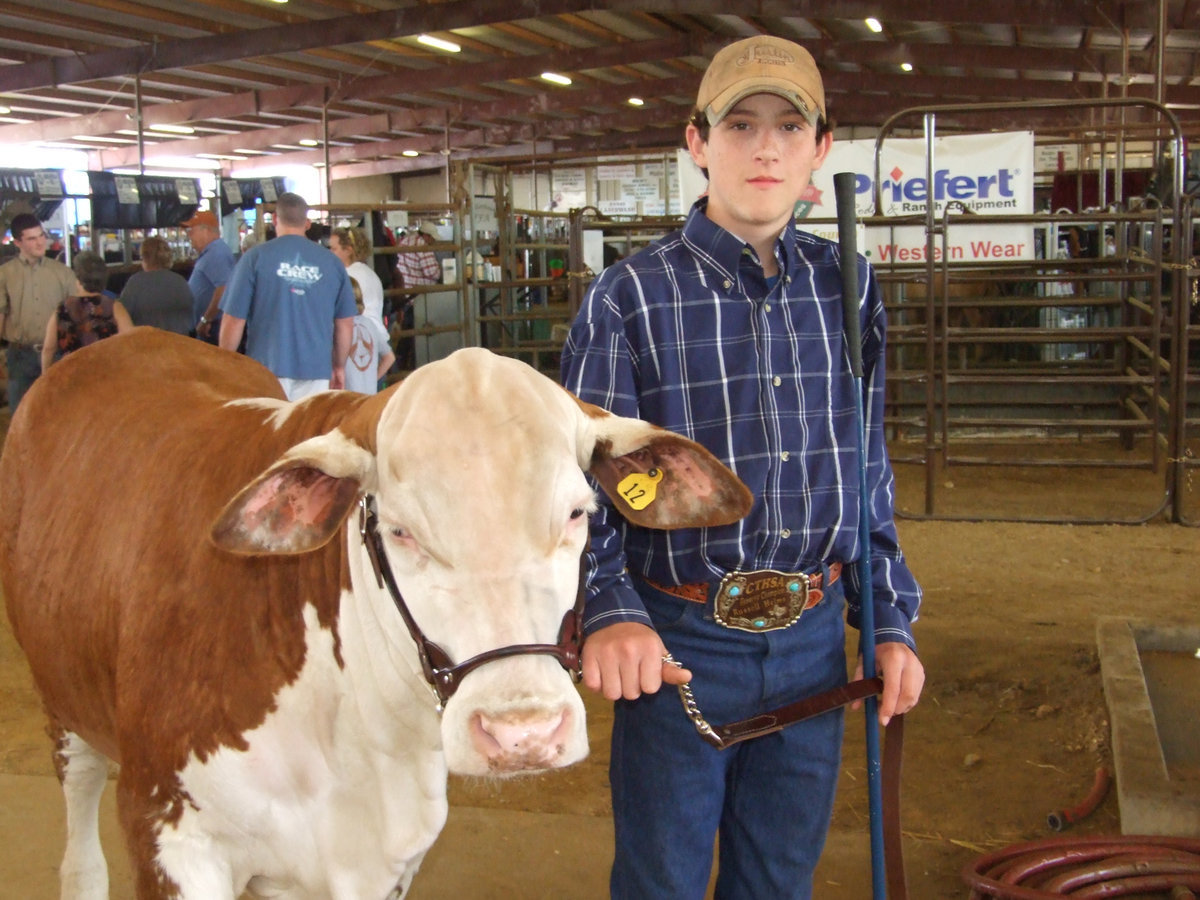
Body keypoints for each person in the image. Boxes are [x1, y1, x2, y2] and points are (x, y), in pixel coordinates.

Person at [560, 35, 925, 900]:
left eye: (789, 127)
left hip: (811, 635)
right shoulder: (629, 296)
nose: (765, 148)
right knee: (664, 881)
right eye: (740, 125)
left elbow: (863, 464)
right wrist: (611, 611)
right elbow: (582, 479)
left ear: (820, 151)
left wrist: (888, 615)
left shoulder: (851, 285)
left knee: (777, 880)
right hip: (680, 645)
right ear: (697, 142)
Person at [218, 192, 356, 402]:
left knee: (270, 433)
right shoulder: (332, 263)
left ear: (274, 220)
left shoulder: (254, 258)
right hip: (316, 370)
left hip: (267, 369)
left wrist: (224, 363)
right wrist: (338, 366)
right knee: (310, 433)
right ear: (307, 223)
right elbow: (345, 324)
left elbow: (234, 320)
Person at [0, 212, 77, 410]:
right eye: (32, 238)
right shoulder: (5, 274)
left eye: (41, 236)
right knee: (21, 414)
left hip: (58, 354)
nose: (40, 242)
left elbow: (77, 312)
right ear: (18, 243)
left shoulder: (63, 273)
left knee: (60, 412)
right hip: (20, 355)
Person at [41, 251, 133, 370]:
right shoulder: (114, 306)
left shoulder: (62, 309)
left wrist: (45, 376)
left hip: (70, 375)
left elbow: (48, 349)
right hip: (107, 374)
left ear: (78, 279)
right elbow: (130, 341)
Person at [119, 235, 194, 334]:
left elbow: (122, 315)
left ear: (144, 258)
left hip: (147, 343)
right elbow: (190, 318)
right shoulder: (180, 282)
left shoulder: (135, 283)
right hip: (179, 343)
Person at [392, 222, 441, 370]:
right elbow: (432, 272)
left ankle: (400, 365)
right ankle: (412, 365)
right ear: (426, 235)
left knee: (406, 333)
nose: (433, 242)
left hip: (404, 293)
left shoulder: (406, 240)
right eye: (432, 238)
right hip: (417, 296)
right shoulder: (422, 245)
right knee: (416, 334)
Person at [182, 209, 236, 343]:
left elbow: (224, 289)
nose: (189, 236)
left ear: (205, 230)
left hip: (214, 327)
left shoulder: (217, 253)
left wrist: (206, 319)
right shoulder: (212, 252)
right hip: (212, 325)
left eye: (191, 231)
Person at [343, 276, 395, 395]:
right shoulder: (369, 324)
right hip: (368, 396)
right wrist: (372, 379)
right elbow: (389, 357)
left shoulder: (336, 327)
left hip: (346, 398)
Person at [330, 226, 387, 326]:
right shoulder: (368, 272)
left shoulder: (348, 276)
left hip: (359, 333)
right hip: (374, 333)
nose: (329, 253)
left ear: (348, 250)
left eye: (334, 249)